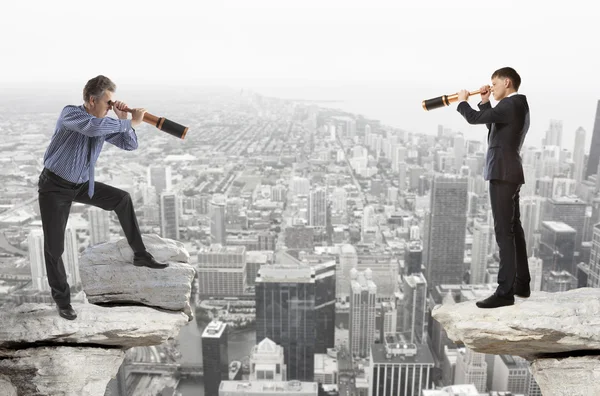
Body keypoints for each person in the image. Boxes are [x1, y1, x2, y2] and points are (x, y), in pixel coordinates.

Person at [38, 75, 168, 321]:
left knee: (122, 199)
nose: (111, 107)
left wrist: (122, 121)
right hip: (54, 187)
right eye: (108, 103)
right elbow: (92, 128)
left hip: (81, 184)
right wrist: (130, 123)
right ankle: (62, 301)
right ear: (91, 100)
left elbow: (129, 146)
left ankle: (140, 255)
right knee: (54, 248)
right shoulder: (72, 114)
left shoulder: (105, 122)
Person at [456, 67, 531, 309]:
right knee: (514, 229)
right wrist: (485, 102)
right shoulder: (517, 105)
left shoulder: (510, 105)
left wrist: (463, 102)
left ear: (506, 82)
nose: (491, 87)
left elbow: (474, 119)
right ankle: (521, 284)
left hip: (502, 173)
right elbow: (493, 128)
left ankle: (504, 292)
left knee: (503, 233)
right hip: (511, 172)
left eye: (494, 84)